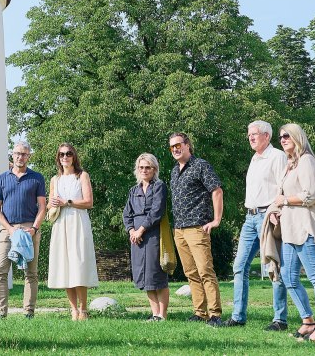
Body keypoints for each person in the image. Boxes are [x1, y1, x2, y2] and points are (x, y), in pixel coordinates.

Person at [269, 123, 315, 342]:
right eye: (280, 137)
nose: (283, 139)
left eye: (287, 136)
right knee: (288, 277)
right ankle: (308, 321)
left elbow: (311, 196)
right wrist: (277, 211)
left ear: (298, 137)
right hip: (289, 230)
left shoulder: (307, 161)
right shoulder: (290, 165)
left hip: (306, 228)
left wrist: (284, 200)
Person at [227, 120, 290, 330]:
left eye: (254, 134)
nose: (251, 138)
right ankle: (237, 316)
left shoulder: (277, 156)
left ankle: (280, 319)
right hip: (250, 217)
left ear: (266, 136)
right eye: (249, 135)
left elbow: (284, 187)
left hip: (268, 215)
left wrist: (276, 211)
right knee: (240, 266)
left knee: (274, 265)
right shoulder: (254, 158)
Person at [167, 132, 225, 326]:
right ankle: (200, 312)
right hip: (179, 229)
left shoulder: (201, 165)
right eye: (172, 147)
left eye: (178, 145)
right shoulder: (175, 171)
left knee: (205, 271)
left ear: (187, 145)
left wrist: (216, 219)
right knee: (191, 272)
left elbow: (216, 190)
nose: (175, 149)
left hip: (197, 228)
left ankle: (215, 314)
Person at [0, 140, 47, 319]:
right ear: (12, 155)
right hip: (7, 230)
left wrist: (35, 229)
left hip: (30, 229)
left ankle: (29, 313)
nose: (20, 157)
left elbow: (42, 207)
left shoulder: (37, 178)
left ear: (29, 156)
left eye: (24, 154)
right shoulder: (1, 178)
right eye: (17, 153)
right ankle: (1, 312)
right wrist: (10, 229)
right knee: (0, 271)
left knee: (31, 273)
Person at [47, 142, 99, 320]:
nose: (65, 157)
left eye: (68, 153)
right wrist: (52, 203)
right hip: (61, 224)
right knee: (65, 266)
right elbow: (49, 203)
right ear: (58, 158)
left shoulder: (82, 176)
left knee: (79, 263)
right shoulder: (55, 179)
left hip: (78, 221)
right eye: (61, 154)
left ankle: (84, 309)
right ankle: (73, 310)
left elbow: (89, 202)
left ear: (74, 156)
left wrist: (67, 202)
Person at [123, 153, 170, 321]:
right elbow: (127, 214)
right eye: (141, 167)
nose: (144, 170)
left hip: (153, 235)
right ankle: (154, 313)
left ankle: (162, 315)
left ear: (154, 169)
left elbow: (156, 211)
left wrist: (141, 230)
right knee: (144, 276)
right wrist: (131, 231)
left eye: (148, 167)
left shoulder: (159, 186)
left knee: (156, 273)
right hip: (136, 238)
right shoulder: (133, 190)